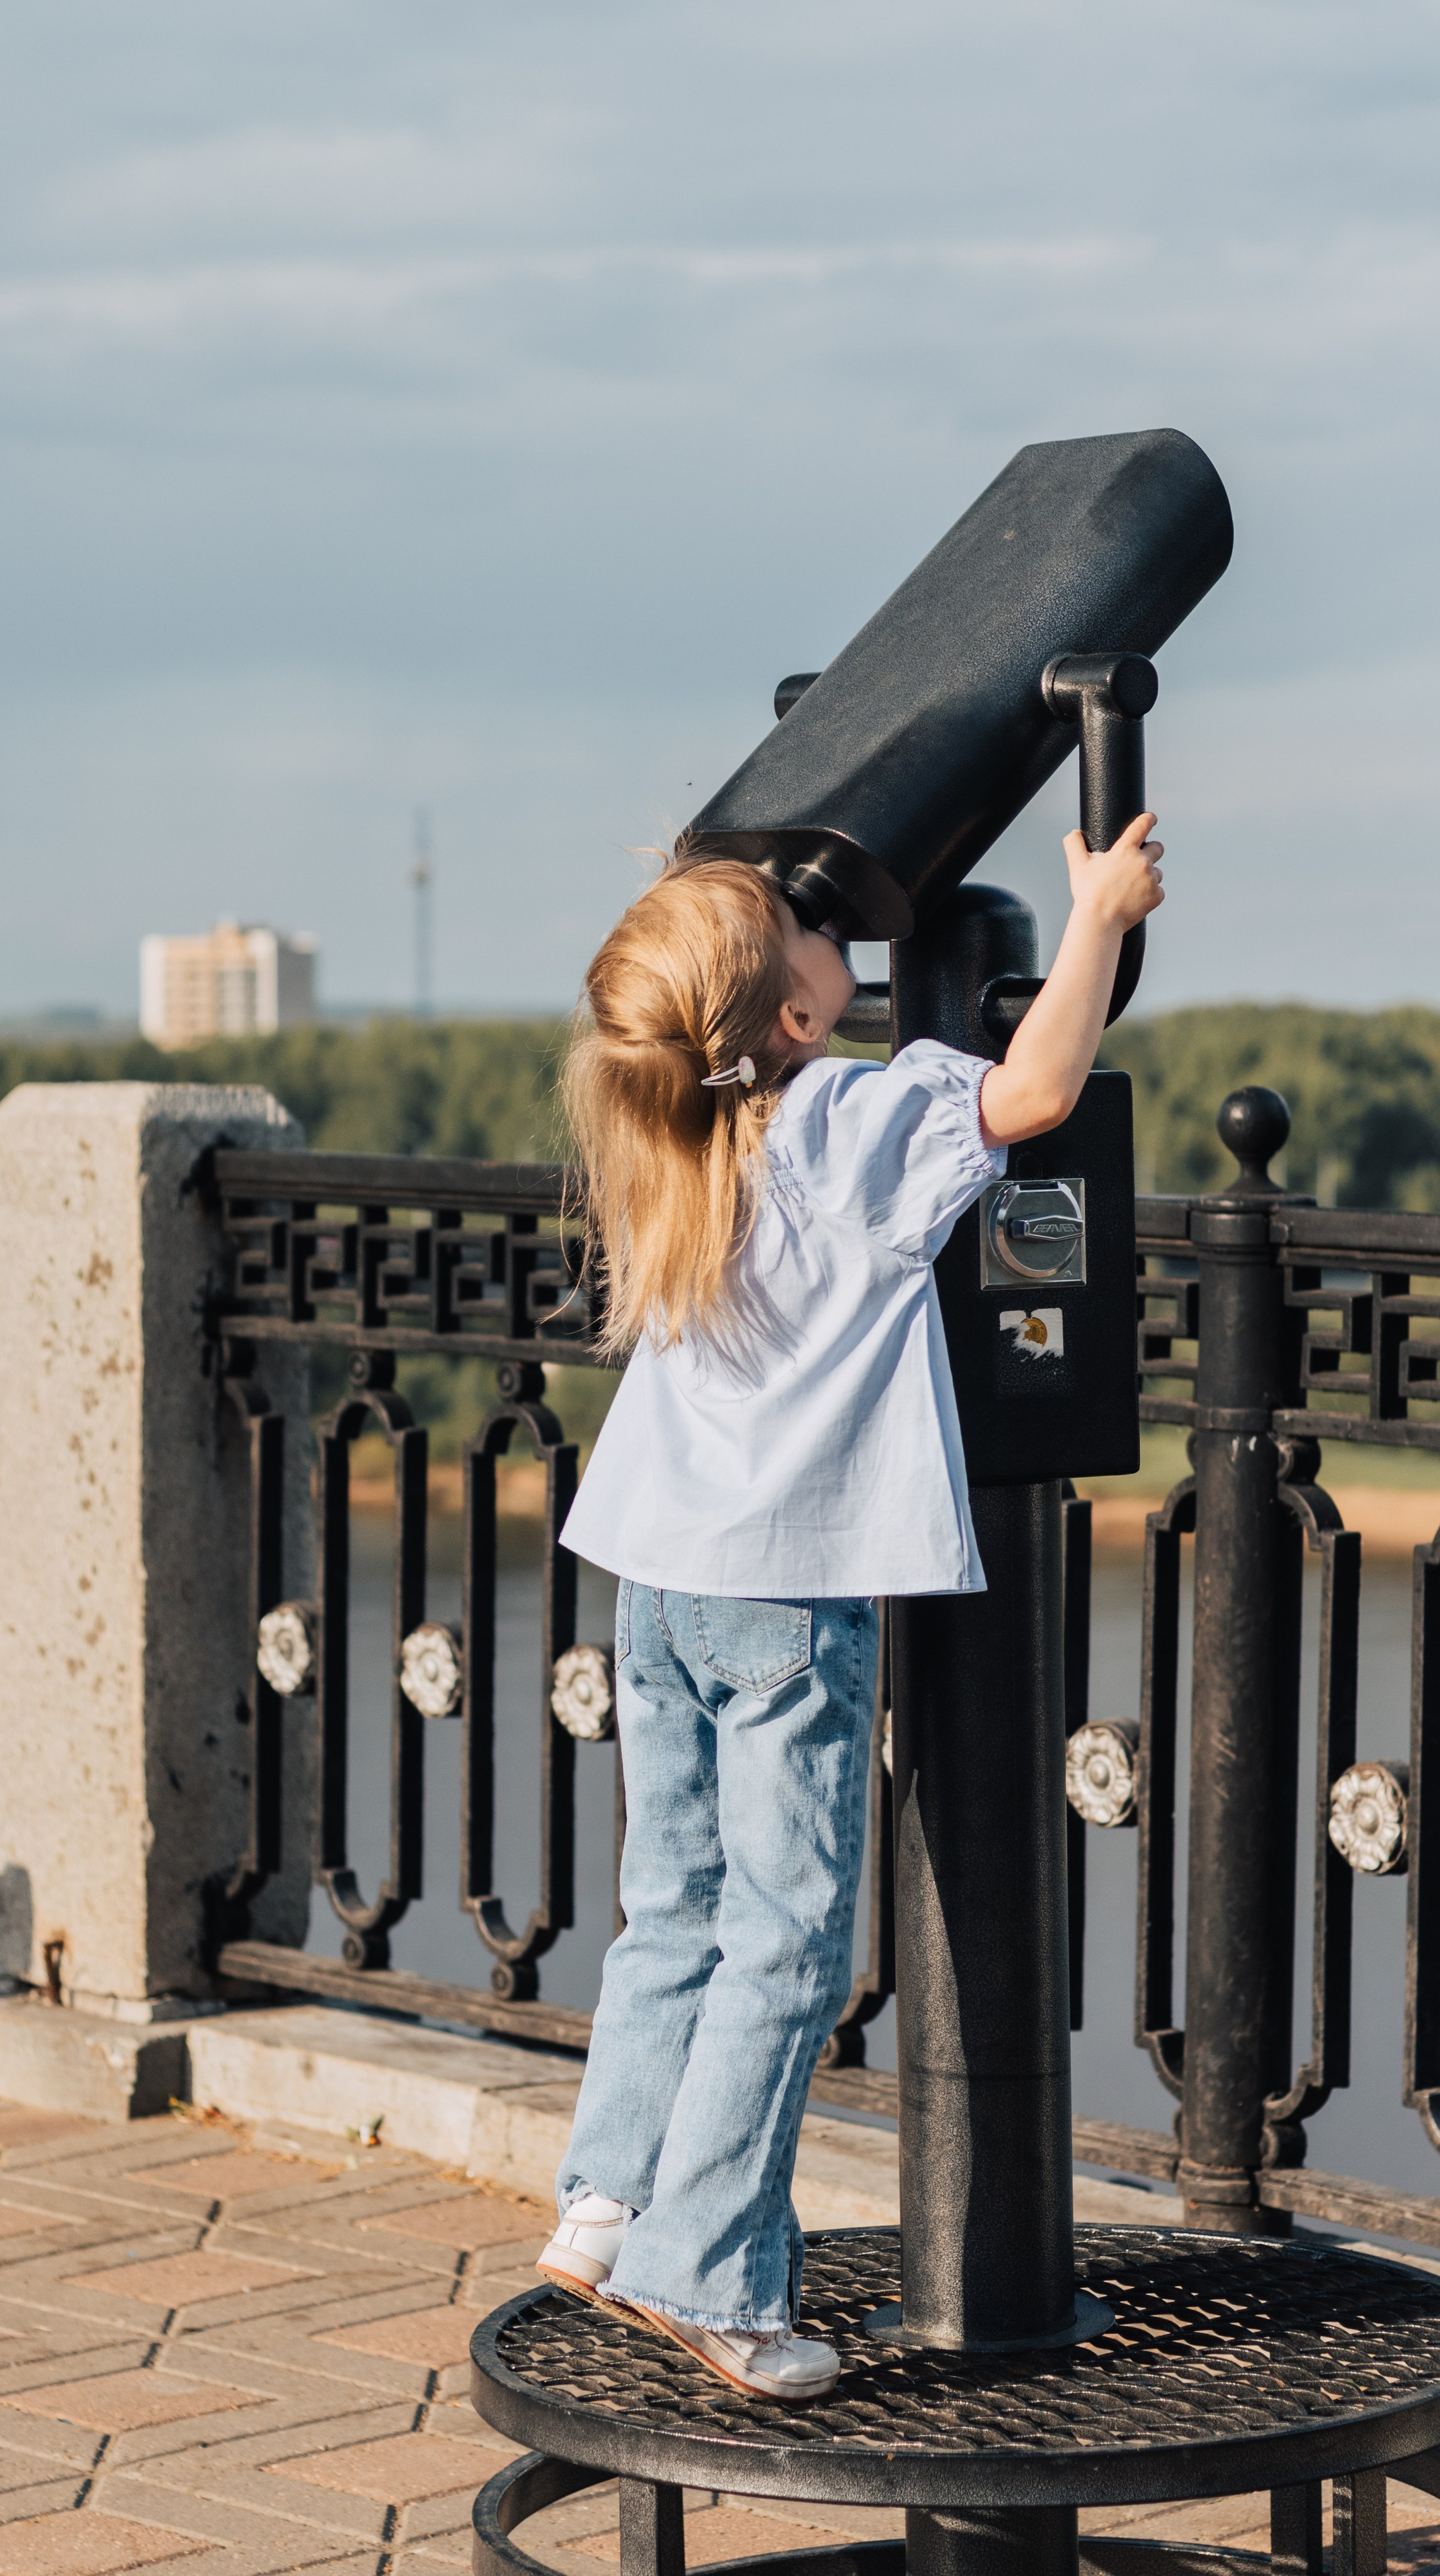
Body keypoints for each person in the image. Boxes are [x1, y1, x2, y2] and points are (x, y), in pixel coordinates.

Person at [535, 810, 1165, 2401]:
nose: (839, 926)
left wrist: (728, 876)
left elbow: (701, 965)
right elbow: (1030, 1090)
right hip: (786, 1594)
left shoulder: (670, 1122)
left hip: (655, 1579)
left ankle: (605, 2207)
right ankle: (709, 2278)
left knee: (670, 1907)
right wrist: (1097, 914)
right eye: (808, 923)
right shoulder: (841, 1127)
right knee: (791, 1945)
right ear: (801, 1012)